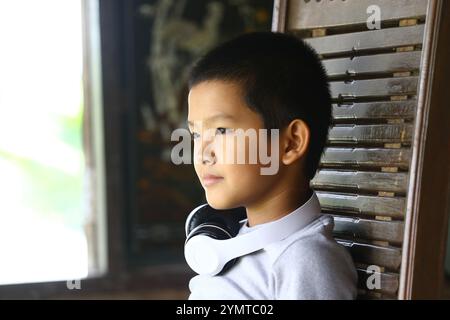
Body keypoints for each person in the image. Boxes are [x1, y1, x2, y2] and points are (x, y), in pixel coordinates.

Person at [185, 31, 357, 299]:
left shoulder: (305, 260)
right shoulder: (233, 242)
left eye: (221, 130)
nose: (202, 154)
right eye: (196, 134)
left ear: (290, 143)